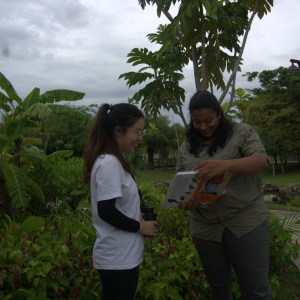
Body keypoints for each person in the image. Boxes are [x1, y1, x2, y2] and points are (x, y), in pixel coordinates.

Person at [176, 91, 271, 300]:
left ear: (219, 113)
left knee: (255, 291)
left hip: (245, 220)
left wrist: (224, 165)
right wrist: (186, 202)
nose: (203, 126)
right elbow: (182, 184)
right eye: (197, 122)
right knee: (218, 290)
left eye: (208, 120)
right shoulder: (186, 147)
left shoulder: (242, 132)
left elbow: (261, 162)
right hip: (204, 225)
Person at [83, 103, 158, 300]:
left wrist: (137, 213)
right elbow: (106, 211)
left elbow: (116, 206)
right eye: (137, 132)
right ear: (118, 131)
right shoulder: (109, 163)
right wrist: (139, 226)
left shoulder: (114, 161)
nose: (140, 138)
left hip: (122, 257)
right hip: (117, 259)